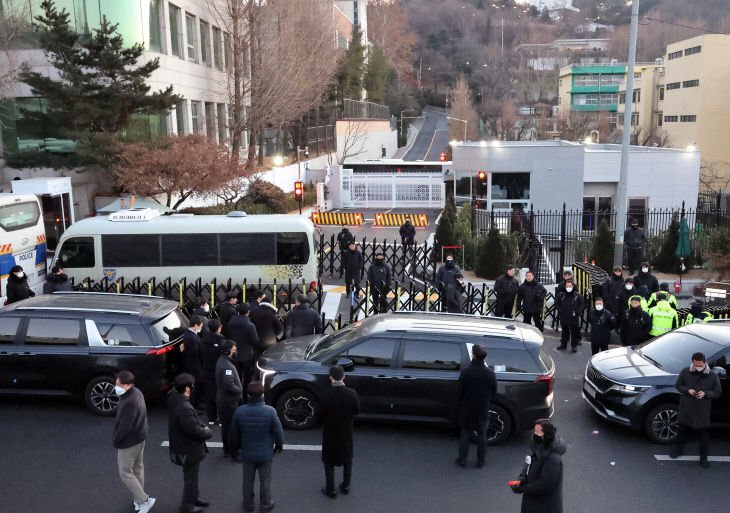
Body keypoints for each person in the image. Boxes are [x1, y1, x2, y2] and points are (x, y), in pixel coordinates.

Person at [230, 382, 284, 513]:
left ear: (248, 395)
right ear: (262, 395)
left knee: (247, 481)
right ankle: (265, 504)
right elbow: (278, 431)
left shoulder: (240, 411)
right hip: (265, 454)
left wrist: (235, 450)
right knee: (265, 480)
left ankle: (248, 504)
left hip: (247, 453)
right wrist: (279, 445)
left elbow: (234, 434)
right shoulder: (270, 411)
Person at [167, 374, 212, 513]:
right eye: (192, 385)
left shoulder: (175, 397)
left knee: (191, 477)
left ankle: (193, 498)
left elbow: (193, 420)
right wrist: (207, 432)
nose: (193, 387)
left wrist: (200, 424)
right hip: (188, 449)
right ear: (187, 388)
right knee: (190, 478)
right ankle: (187, 506)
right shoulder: (185, 407)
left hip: (181, 446)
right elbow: (194, 430)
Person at [669, 352, 722, 468]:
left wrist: (706, 393)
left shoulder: (712, 375)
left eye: (700, 365)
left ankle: (703, 458)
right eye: (696, 365)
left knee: (704, 435)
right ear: (692, 362)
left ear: (705, 362)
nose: (698, 367)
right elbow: (678, 385)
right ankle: (678, 450)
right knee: (682, 431)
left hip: (702, 409)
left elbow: (717, 392)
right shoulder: (685, 371)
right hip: (686, 407)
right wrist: (688, 390)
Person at [113, 371, 155, 513]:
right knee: (138, 469)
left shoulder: (129, 402)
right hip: (140, 437)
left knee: (125, 472)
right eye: (116, 383)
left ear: (128, 385)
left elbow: (125, 426)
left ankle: (144, 500)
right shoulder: (136, 392)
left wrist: (116, 440)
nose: (116, 386)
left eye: (120, 384)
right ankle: (138, 500)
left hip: (129, 442)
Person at [320, 365, 361, 498]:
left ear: (330, 378)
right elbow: (357, 411)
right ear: (344, 377)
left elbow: (321, 415)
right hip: (346, 431)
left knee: (328, 461)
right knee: (347, 458)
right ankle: (346, 485)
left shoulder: (326, 395)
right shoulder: (352, 393)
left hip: (330, 433)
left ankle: (330, 489)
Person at [510, 419, 565, 513]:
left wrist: (523, 488)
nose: (534, 434)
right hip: (532, 502)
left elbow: (545, 484)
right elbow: (528, 464)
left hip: (544, 506)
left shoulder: (553, 459)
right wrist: (521, 479)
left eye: (537, 432)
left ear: (546, 435)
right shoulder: (538, 447)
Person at [456, 344, 497, 468]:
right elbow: (493, 391)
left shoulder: (466, 372)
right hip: (482, 408)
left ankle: (462, 459)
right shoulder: (490, 374)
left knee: (465, 433)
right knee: (482, 434)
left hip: (467, 408)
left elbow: (459, 392)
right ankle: (480, 461)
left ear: (473, 355)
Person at [216, 340, 243, 459]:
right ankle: (234, 452)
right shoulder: (227, 366)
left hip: (223, 400)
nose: (235, 350)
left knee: (226, 427)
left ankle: (226, 449)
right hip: (229, 402)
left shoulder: (221, 360)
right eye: (233, 348)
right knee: (232, 427)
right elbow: (228, 384)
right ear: (228, 351)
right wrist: (239, 390)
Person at [226, 303, 259, 393]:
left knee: (236, 375)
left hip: (234, 353)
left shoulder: (231, 323)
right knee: (247, 377)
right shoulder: (250, 326)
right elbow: (255, 341)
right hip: (247, 355)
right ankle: (245, 394)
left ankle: (237, 392)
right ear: (248, 312)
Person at [201, 320, 224, 424]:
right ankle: (221, 418)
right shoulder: (221, 340)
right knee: (219, 394)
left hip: (207, 370)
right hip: (218, 370)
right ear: (219, 328)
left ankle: (211, 417)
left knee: (209, 393)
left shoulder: (203, 340)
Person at [183, 316, 206, 410]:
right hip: (194, 367)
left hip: (192, 365)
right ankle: (195, 405)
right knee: (195, 386)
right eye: (200, 326)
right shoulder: (192, 338)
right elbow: (196, 354)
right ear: (196, 325)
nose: (201, 328)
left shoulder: (189, 334)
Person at [555, 279, 584, 352]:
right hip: (564, 316)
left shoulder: (577, 295)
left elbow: (582, 304)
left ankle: (574, 346)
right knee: (564, 332)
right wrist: (560, 311)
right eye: (567, 286)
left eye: (570, 286)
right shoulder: (561, 295)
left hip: (573, 317)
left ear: (573, 286)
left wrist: (577, 312)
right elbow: (557, 303)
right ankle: (563, 344)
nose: (568, 287)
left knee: (574, 332)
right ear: (565, 286)